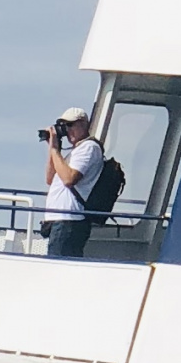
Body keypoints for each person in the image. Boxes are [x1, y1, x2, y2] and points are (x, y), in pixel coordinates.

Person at [41, 107, 106, 258]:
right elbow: (50, 178)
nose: (67, 130)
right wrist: (52, 148)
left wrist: (56, 151)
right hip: (59, 221)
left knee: (59, 270)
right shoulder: (75, 151)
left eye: (70, 125)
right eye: (64, 126)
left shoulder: (89, 147)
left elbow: (69, 179)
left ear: (83, 124)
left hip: (69, 221)